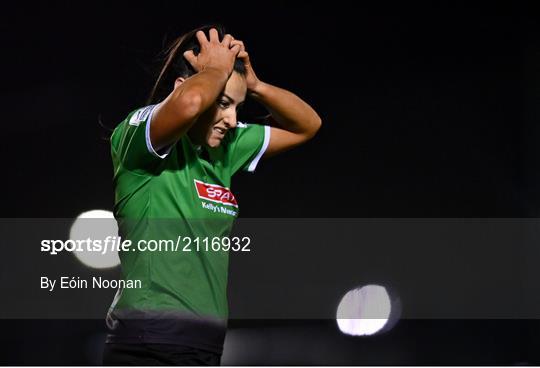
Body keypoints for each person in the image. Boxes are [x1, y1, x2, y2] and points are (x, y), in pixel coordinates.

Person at [102, 24, 321, 365]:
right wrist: (216, 70)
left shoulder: (224, 148)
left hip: (203, 345)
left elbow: (307, 125)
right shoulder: (136, 138)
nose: (233, 120)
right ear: (182, 86)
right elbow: (189, 104)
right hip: (148, 341)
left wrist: (256, 86)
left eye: (238, 106)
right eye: (223, 104)